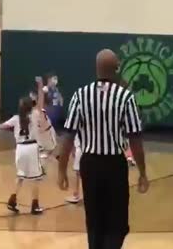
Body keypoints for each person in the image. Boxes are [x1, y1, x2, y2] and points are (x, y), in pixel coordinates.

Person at [58, 49, 149, 249]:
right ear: (117, 69)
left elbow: (68, 137)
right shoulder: (126, 97)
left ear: (96, 69)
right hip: (114, 165)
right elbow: (135, 139)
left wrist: (61, 170)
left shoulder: (80, 95)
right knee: (118, 223)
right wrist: (142, 172)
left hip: (89, 164)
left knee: (94, 220)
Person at [0, 77, 55, 215]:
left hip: (20, 148)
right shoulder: (36, 115)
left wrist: (12, 129)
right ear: (31, 106)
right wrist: (41, 85)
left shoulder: (16, 118)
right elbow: (40, 103)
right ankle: (35, 205)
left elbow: (1, 126)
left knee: (20, 176)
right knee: (36, 178)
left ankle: (12, 200)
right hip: (31, 148)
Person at [65, 134, 83, 204]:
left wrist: (73, 150)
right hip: (86, 150)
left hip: (80, 149)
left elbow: (71, 140)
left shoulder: (76, 127)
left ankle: (76, 194)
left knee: (78, 173)